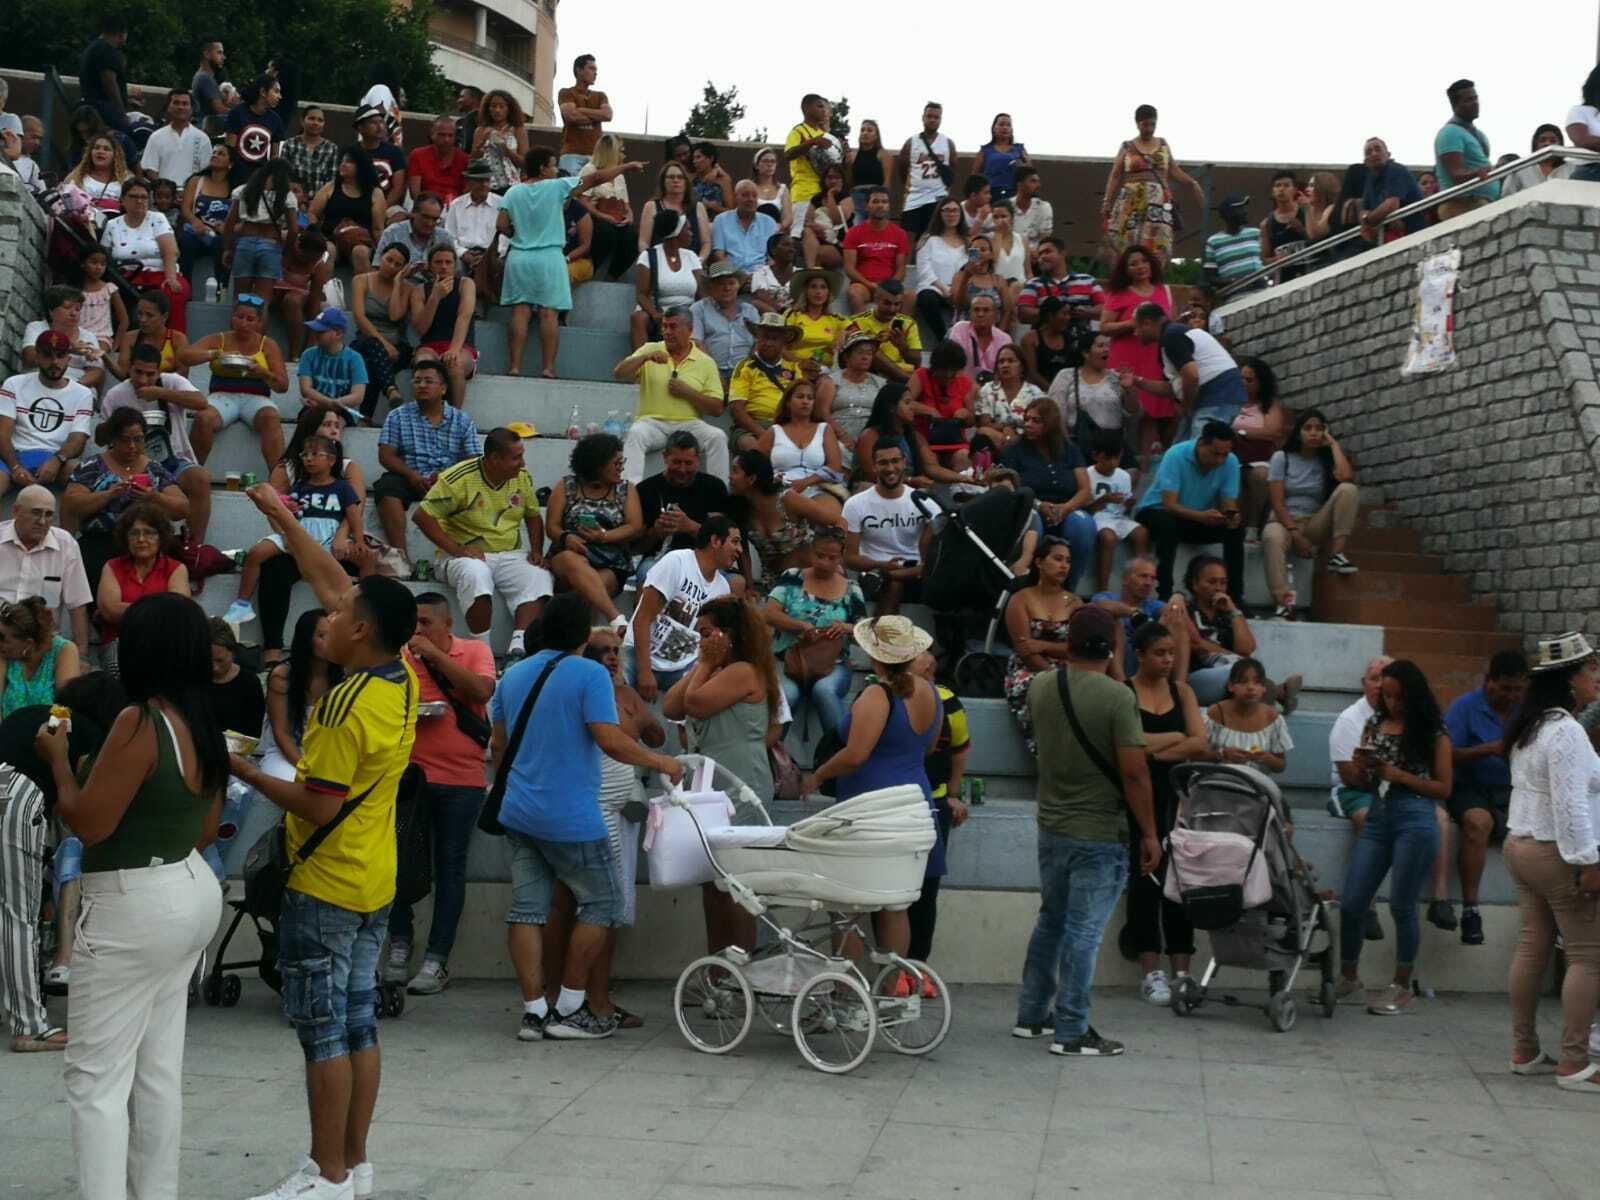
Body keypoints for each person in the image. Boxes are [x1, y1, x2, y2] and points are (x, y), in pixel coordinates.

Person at [226, 485, 419, 1200]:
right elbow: (335, 581)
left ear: (361, 633)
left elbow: (315, 799)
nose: (328, 618)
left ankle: (325, 1173)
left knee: (323, 1034)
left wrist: (242, 768)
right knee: (360, 1023)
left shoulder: (341, 704)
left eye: (339, 618)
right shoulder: (400, 677)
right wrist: (282, 518)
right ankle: (355, 1165)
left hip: (325, 884)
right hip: (374, 880)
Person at [40, 593, 222, 1198]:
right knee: (156, 1071)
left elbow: (88, 824)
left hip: (132, 903)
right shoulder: (202, 719)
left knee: (95, 1079)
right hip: (188, 888)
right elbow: (203, 829)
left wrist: (61, 761)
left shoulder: (139, 720)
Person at [495, 591, 681, 1043]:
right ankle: (572, 1007)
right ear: (582, 634)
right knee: (605, 904)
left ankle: (534, 1011)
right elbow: (610, 741)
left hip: (518, 811)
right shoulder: (589, 674)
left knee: (527, 911)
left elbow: (498, 746)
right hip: (571, 814)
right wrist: (663, 763)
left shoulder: (513, 675)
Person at [1013, 605, 1157, 1054]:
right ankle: (1072, 1030)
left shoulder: (1039, 685)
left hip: (1052, 823)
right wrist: (1150, 832)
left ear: (1068, 641)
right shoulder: (1118, 697)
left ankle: (1032, 1014)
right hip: (1099, 829)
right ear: (1113, 647)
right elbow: (1134, 774)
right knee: (1084, 932)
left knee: (1051, 921)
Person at [536, 626, 661, 1028]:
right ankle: (566, 997)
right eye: (601, 650)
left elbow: (656, 734)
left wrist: (636, 706)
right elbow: (610, 741)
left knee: (605, 908)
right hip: (583, 808)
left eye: (615, 650)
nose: (611, 656)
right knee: (578, 905)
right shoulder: (576, 689)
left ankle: (597, 997)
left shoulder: (624, 693)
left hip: (619, 812)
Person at [801, 616, 943, 965]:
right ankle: (892, 988)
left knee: (844, 903)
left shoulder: (877, 695)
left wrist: (817, 775)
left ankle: (847, 994)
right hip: (913, 799)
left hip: (871, 805)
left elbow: (855, 755)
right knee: (896, 905)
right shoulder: (930, 691)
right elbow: (929, 747)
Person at [383, 593, 497, 996]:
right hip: (410, 779)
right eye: (414, 623)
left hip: (462, 781)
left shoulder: (474, 651)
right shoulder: (399, 657)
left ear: (448, 624)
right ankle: (399, 944)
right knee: (396, 864)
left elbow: (480, 693)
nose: (418, 631)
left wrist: (432, 654)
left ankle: (437, 958)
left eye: (426, 623)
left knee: (451, 869)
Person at [1500, 633, 1600, 1089]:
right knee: (1588, 956)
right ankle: (1575, 1063)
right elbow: (1571, 805)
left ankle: (1524, 1050)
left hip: (1520, 847)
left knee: (1532, 947)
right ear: (1570, 679)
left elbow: (1588, 778)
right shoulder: (1567, 732)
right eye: (1590, 669)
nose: (1596, 677)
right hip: (1554, 852)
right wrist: (1589, 861)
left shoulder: (1532, 726)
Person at [0, 674, 119, 1054]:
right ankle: (30, 1025)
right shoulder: (88, 733)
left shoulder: (37, 713)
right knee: (19, 914)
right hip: (16, 794)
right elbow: (79, 804)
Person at [664, 596, 781, 954]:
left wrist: (704, 664)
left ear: (728, 634)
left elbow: (694, 703)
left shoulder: (744, 671)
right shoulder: (713, 670)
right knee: (711, 883)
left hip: (741, 782)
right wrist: (705, 663)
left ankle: (742, 967)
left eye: (706, 632)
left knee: (735, 882)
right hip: (711, 785)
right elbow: (671, 706)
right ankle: (718, 966)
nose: (700, 640)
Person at [1335, 660, 1452, 1016]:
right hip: (1380, 812)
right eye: (1386, 695)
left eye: (1397, 696)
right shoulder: (1374, 722)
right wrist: (1360, 766)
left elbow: (1443, 787)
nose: (1391, 703)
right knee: (1353, 900)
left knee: (1402, 904)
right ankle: (1349, 975)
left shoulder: (1434, 732)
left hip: (1415, 815)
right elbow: (1362, 779)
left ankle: (1402, 983)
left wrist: (1398, 775)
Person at [500, 147, 643, 380]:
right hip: (549, 257)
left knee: (520, 312)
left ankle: (515, 366)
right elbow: (596, 177)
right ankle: (548, 368)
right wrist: (626, 167)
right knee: (549, 314)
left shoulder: (513, 192)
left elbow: (501, 224)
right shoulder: (558, 187)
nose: (556, 169)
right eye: (553, 165)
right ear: (543, 168)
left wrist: (520, 234)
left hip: (520, 257)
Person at [1122, 620, 1207, 1003]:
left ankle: (1182, 971)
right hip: (1137, 796)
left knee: (1181, 883)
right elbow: (1126, 747)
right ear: (1139, 654)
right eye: (1160, 653)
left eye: (1172, 652)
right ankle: (1150, 969)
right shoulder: (1124, 693)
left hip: (1178, 796)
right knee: (1144, 882)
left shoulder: (1182, 691)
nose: (1168, 659)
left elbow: (1201, 745)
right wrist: (1176, 739)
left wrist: (1155, 748)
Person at [415, 427, 551, 659]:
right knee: (475, 573)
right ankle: (482, 652)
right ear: (495, 458)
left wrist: (537, 550)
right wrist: (457, 550)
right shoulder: (458, 478)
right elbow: (422, 515)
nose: (522, 463)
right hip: (462, 554)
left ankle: (517, 649)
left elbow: (532, 515)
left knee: (539, 576)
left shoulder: (522, 478)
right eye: (516, 457)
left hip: (510, 553)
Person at [226, 431, 360, 654]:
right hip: (296, 533)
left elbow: (353, 513)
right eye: (304, 454)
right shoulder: (298, 486)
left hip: (326, 539)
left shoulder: (343, 487)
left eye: (315, 454)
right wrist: (286, 527)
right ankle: (243, 606)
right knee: (259, 554)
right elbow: (281, 510)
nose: (308, 459)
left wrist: (356, 538)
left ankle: (346, 640)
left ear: (331, 460)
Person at [1443, 651, 1530, 947]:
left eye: (1517, 689)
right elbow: (1445, 755)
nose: (1511, 696)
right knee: (1477, 823)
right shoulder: (1464, 707)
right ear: (1488, 681)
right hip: (1470, 788)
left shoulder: (1525, 711)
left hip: (1511, 789)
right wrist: (1488, 749)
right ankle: (1471, 909)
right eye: (1505, 688)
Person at [62, 407, 188, 597]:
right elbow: (72, 504)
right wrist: (108, 495)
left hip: (146, 544)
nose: (132, 446)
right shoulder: (92, 466)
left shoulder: (154, 468)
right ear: (113, 439)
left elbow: (183, 508)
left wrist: (153, 497)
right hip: (101, 541)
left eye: (137, 439)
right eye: (125, 440)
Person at [625, 516, 742, 701]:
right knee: (614, 684)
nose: (740, 550)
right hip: (638, 654)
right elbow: (643, 618)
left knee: (707, 696)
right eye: (735, 542)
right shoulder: (677, 562)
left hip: (682, 667)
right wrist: (645, 672)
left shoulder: (723, 589)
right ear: (715, 541)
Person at [374, 360, 480, 564]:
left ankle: (463, 553)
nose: (421, 385)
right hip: (410, 477)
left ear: (443, 388)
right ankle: (399, 558)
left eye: (428, 381)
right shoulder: (398, 416)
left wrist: (446, 477)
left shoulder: (462, 420)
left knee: (475, 489)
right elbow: (386, 455)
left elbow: (473, 460)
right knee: (386, 488)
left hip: (449, 481)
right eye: (417, 381)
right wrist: (412, 476)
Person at [765, 528, 865, 735]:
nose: (824, 562)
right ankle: (772, 755)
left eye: (832, 557)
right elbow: (769, 614)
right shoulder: (792, 577)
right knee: (787, 696)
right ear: (811, 552)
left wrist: (845, 628)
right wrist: (799, 625)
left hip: (833, 664)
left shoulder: (852, 589)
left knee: (825, 691)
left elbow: (864, 632)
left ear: (841, 557)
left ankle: (840, 751)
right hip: (788, 661)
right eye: (820, 556)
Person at [1262, 407, 1360, 618]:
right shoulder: (1282, 457)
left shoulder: (1325, 460)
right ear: (1298, 432)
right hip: (1284, 521)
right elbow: (1277, 503)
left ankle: (1337, 555)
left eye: (1319, 429)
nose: (1313, 433)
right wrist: (1296, 535)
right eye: (1308, 428)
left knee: (1348, 490)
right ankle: (1283, 602)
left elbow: (1346, 477)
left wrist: (1333, 444)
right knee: (1271, 537)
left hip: (1314, 521)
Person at [1135, 421, 1244, 603]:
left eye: (1224, 455)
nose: (1219, 460)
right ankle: (1164, 594)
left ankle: (1234, 596)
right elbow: (1169, 504)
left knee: (1235, 530)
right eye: (1215, 453)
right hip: (1157, 511)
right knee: (1167, 523)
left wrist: (1231, 515)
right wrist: (1202, 517)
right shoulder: (1176, 454)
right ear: (1201, 444)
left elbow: (1227, 501)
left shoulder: (1231, 462)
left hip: (1195, 518)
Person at [616, 308, 730, 483]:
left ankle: (719, 496)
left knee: (717, 437)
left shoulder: (705, 362)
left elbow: (717, 408)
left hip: (689, 425)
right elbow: (618, 373)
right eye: (664, 327)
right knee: (636, 433)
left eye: (673, 327)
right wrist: (645, 358)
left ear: (690, 330)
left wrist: (688, 393)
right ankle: (628, 493)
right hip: (652, 423)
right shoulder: (650, 349)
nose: (667, 332)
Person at [180, 294, 287, 472]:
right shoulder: (219, 339)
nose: (243, 323)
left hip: (256, 397)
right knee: (203, 418)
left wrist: (264, 373)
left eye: (250, 319)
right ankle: (191, 474)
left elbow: (283, 386)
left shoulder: (267, 345)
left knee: (271, 418)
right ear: (232, 317)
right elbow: (185, 356)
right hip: (222, 396)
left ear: (259, 322)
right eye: (239, 317)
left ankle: (279, 479)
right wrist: (213, 354)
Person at [546, 433, 642, 627]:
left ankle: (581, 645)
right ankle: (616, 620)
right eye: (616, 463)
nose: (621, 468)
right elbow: (552, 526)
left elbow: (634, 526)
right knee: (573, 561)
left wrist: (604, 536)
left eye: (622, 462)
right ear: (599, 463)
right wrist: (567, 538)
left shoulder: (626, 489)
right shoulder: (566, 486)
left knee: (588, 589)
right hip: (570, 553)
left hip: (610, 562)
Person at [999, 399, 1096, 589]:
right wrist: (1039, 504)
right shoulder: (1014, 451)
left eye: (1036, 420)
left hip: (1065, 508)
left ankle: (1069, 588)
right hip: (1030, 507)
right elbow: (1010, 488)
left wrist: (1066, 508)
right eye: (1026, 419)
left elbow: (1085, 489)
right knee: (1033, 524)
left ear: (1050, 423)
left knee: (1083, 524)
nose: (1028, 424)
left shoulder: (1069, 449)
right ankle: (1029, 587)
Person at [1006, 537, 1085, 753]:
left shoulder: (1075, 603)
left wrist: (1041, 644)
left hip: (1069, 667)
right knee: (1040, 689)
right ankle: (1046, 756)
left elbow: (1078, 649)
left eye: (1068, 561)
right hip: (1030, 668)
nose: (1064, 566)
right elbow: (1025, 651)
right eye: (1057, 559)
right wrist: (1052, 674)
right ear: (1039, 562)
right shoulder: (1020, 600)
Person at [1100, 105, 1204, 265]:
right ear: (1137, 124)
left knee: (1158, 244)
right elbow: (1115, 175)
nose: (1149, 129)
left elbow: (1174, 170)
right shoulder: (1127, 146)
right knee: (1129, 244)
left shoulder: (1162, 144)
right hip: (1131, 202)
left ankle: (1155, 282)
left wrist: (1192, 183)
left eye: (1152, 125)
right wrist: (1106, 202)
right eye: (1145, 125)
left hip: (1158, 202)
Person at [0, 331, 95, 503]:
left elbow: (78, 439)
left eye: (60, 356)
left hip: (56, 458)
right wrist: (15, 467)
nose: (55, 362)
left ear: (68, 358)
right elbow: (3, 433)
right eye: (47, 355)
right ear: (36, 356)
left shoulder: (83, 394)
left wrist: (57, 460)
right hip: (15, 455)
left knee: (84, 475)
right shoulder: (14, 384)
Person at [96, 502, 190, 670]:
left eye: (149, 533)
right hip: (119, 642)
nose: (141, 539)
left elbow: (178, 613)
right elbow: (110, 611)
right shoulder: (112, 566)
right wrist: (159, 610)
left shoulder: (176, 569)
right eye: (134, 533)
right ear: (126, 538)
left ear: (161, 537)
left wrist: (130, 610)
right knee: (117, 672)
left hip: (163, 643)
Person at [1098, 247, 1173, 457]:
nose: (1140, 267)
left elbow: (1168, 323)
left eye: (1144, 261)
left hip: (1155, 357)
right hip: (1126, 357)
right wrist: (1133, 323)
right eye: (1133, 264)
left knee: (1151, 413)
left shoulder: (1163, 290)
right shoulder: (1119, 293)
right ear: (1125, 269)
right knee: (1124, 411)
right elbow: (1104, 326)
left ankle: (1144, 466)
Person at [0, 486, 92, 654]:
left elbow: (77, 604)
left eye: (48, 515)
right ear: (15, 511)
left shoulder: (66, 545)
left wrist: (82, 654)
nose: (42, 521)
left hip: (42, 644)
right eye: (36, 513)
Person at [843, 442, 933, 615]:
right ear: (874, 466)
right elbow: (849, 558)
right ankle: (885, 636)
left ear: (904, 462)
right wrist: (883, 565)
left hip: (916, 571)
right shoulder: (855, 504)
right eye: (883, 463)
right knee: (893, 584)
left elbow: (930, 557)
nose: (890, 468)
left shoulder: (923, 501)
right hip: (874, 573)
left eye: (895, 461)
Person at [101, 178, 191, 332]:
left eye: (143, 197)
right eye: (133, 196)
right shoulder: (112, 225)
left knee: (176, 291)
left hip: (160, 272)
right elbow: (103, 257)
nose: (139, 201)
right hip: (127, 276)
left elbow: (170, 251)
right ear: (122, 200)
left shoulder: (157, 218)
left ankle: (173, 341)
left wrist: (171, 277)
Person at [632, 431, 730, 572]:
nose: (682, 470)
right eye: (676, 462)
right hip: (659, 559)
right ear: (665, 457)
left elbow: (723, 540)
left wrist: (690, 527)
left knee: (736, 582)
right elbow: (635, 548)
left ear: (698, 460)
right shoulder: (645, 490)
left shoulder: (714, 487)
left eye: (688, 463)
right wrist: (656, 532)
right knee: (647, 573)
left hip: (704, 559)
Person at [728, 449, 813, 592]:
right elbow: (743, 552)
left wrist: (829, 559)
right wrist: (749, 587)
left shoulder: (786, 499)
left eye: (735, 471)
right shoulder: (740, 509)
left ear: (751, 479)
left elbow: (836, 521)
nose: (730, 477)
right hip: (775, 585)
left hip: (808, 578)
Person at [349, 244, 417, 417]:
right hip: (366, 341)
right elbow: (359, 317)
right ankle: (390, 389)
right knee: (372, 351)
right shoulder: (361, 280)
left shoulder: (407, 288)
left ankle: (366, 417)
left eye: (398, 264)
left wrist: (397, 283)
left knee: (373, 363)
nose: (391, 266)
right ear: (381, 258)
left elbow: (395, 316)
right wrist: (384, 345)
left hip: (398, 347)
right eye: (389, 260)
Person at [408, 244, 478, 407]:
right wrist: (434, 297)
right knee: (423, 364)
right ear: (430, 266)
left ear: (455, 265)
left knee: (454, 364)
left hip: (461, 346)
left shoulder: (465, 284)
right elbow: (420, 329)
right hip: (430, 346)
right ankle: (424, 414)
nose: (443, 267)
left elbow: (464, 317)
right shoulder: (419, 291)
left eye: (448, 262)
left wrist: (453, 349)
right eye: (438, 262)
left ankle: (455, 416)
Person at [1203, 658, 1293, 775]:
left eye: (1257, 682)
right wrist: (1222, 754)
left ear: (1263, 688)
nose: (1250, 687)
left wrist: (1265, 758)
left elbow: (1280, 766)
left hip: (1253, 786)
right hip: (1216, 783)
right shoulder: (1215, 713)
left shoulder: (1273, 717)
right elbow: (1196, 756)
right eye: (1243, 682)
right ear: (1231, 686)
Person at [631, 212, 704, 351]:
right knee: (638, 317)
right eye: (687, 229)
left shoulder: (692, 256)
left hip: (687, 311)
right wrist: (656, 315)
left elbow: (701, 293)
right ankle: (642, 366)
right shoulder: (649, 256)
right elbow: (641, 294)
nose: (691, 233)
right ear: (676, 233)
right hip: (658, 311)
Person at [1084, 432, 1147, 591]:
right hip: (1097, 517)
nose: (1112, 463)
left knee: (1141, 533)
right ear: (1096, 456)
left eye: (1116, 458)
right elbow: (1086, 508)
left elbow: (1123, 509)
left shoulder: (1123, 476)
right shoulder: (1087, 474)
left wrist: (1129, 504)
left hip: (1117, 517)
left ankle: (1140, 584)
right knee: (1109, 538)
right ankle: (1103, 588)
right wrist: (1103, 500)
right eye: (1108, 458)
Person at [1231, 357, 1286, 538]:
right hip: (1232, 457)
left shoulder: (1269, 406)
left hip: (1259, 458)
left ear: (1260, 383)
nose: (1243, 383)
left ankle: (1253, 527)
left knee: (1261, 475)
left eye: (1249, 380)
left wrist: (1241, 433)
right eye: (1241, 378)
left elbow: (1272, 432)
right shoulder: (1231, 403)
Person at [310, 146, 387, 274]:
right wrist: (314, 234)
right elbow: (312, 213)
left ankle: (364, 291)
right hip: (331, 238)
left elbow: (378, 228)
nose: (343, 164)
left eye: (349, 162)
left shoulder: (375, 193)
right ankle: (320, 290)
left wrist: (380, 256)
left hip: (360, 241)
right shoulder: (331, 187)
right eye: (342, 161)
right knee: (328, 251)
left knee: (360, 252)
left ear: (361, 166)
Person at [0, 597, 81, 719]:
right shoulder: (3, 653)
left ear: (28, 643)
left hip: (48, 734)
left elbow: (65, 706)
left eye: (2, 638)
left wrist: (50, 735)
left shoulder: (64, 651)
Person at [1434, 79, 1499, 219]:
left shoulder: (1478, 134)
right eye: (1468, 100)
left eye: (1476, 98)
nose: (1475, 103)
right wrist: (1479, 173)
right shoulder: (1449, 133)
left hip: (1481, 203)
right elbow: (1456, 174)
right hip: (1462, 205)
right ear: (1455, 105)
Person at [577, 133, 637, 281]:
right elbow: (582, 200)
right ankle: (591, 273)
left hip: (616, 217)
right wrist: (602, 215)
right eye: (621, 150)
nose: (623, 155)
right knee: (605, 233)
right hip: (594, 216)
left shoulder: (620, 175)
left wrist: (629, 216)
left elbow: (626, 204)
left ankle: (611, 277)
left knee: (631, 237)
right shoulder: (590, 169)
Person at [297, 308, 368, 425]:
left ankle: (335, 443)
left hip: (344, 408)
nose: (316, 334)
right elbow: (306, 389)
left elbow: (358, 395)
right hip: (316, 406)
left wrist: (334, 404)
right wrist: (328, 403)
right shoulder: (308, 355)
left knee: (334, 423)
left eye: (321, 331)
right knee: (308, 420)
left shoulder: (355, 358)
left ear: (338, 333)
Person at [912, 198, 969, 343]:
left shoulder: (968, 242)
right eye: (947, 210)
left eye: (955, 210)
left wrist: (957, 289)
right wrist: (944, 289)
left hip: (961, 290)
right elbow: (924, 269)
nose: (951, 214)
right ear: (939, 214)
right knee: (926, 298)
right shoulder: (928, 239)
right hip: (936, 288)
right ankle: (943, 340)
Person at [691, 261, 758, 381]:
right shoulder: (699, 309)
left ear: (738, 286)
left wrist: (747, 370)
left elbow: (758, 343)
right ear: (711, 287)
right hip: (709, 370)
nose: (727, 288)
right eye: (721, 284)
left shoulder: (750, 310)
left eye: (731, 283)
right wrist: (714, 373)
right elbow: (697, 343)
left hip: (746, 371)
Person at [897, 102, 956, 239]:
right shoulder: (911, 142)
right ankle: (908, 262)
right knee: (908, 237)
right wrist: (910, 186)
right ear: (923, 118)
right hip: (914, 197)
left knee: (934, 237)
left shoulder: (947, 143)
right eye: (929, 116)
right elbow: (902, 167)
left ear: (940, 120)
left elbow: (953, 168)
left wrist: (947, 189)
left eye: (936, 117)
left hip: (938, 197)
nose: (932, 119)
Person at [1355, 138, 1426, 244]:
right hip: (1393, 239)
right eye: (1368, 152)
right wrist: (1368, 218)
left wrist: (1368, 220)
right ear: (1366, 162)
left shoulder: (1396, 170)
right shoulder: (1370, 179)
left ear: (1388, 154)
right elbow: (1363, 212)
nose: (1374, 154)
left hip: (1415, 236)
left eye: (1378, 149)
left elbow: (1391, 205)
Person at [636, 161, 711, 259]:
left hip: (693, 263)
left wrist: (698, 261)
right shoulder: (651, 206)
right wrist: (652, 261)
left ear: (686, 181)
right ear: (663, 181)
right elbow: (643, 242)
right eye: (671, 177)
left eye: (680, 177)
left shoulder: (698, 207)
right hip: (660, 262)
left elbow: (706, 243)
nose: (676, 180)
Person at [974, 344, 1044, 448]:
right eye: (1001, 362)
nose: (1005, 365)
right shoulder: (987, 389)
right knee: (984, 432)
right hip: (997, 440)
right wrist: (1006, 430)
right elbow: (985, 423)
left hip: (1027, 439)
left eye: (1011, 361)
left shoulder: (1035, 392)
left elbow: (1039, 424)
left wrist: (1013, 433)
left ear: (1022, 367)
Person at [223, 78, 286, 189]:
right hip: (236, 174)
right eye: (276, 91)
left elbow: (274, 157)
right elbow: (229, 148)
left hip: (259, 177)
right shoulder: (238, 113)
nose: (279, 96)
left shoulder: (276, 120)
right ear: (263, 92)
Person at [141, 89, 209, 187]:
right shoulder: (156, 137)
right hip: (163, 196)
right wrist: (165, 188)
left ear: (191, 109)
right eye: (176, 103)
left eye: (185, 104)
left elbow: (206, 171)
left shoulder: (202, 138)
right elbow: (150, 169)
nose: (180, 107)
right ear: (168, 107)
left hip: (193, 194)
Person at [711, 180, 779, 276]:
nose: (750, 199)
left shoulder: (769, 222)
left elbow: (773, 258)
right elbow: (718, 255)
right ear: (735, 198)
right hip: (731, 276)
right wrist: (739, 276)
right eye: (745, 195)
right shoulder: (721, 220)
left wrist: (763, 276)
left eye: (754, 196)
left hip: (762, 275)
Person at [557, 54, 611, 175]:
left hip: (595, 155)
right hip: (571, 154)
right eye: (591, 68)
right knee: (570, 190)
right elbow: (571, 116)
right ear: (579, 70)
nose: (595, 73)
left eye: (596, 70)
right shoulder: (566, 92)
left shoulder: (600, 95)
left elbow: (607, 115)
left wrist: (581, 109)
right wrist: (597, 116)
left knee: (593, 192)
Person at [470, 90, 528, 195]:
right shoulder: (481, 130)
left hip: (511, 185)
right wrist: (483, 141)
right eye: (493, 106)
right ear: (488, 109)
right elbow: (473, 160)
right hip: (486, 185)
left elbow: (525, 162)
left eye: (502, 106)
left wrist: (505, 149)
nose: (497, 110)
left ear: (509, 109)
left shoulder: (518, 130)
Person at [350, 104, 407, 209]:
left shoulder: (395, 152)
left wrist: (381, 209)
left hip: (387, 206)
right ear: (360, 128)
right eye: (373, 123)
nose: (380, 126)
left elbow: (398, 188)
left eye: (381, 122)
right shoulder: (350, 152)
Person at [1202, 195, 1264, 290]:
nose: (1245, 212)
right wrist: (1235, 282)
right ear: (1228, 214)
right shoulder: (1213, 242)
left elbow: (1266, 260)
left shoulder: (1256, 233)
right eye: (1240, 209)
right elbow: (1210, 277)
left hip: (1262, 292)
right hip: (1235, 298)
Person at [948, 291, 1013, 380]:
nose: (980, 314)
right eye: (976, 310)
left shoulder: (1005, 339)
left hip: (993, 388)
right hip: (962, 387)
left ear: (995, 314)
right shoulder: (959, 329)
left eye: (986, 310)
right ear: (970, 313)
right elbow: (952, 365)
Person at [282, 106, 341, 199]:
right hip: (292, 201)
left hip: (320, 203)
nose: (315, 123)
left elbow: (331, 182)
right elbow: (284, 177)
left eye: (320, 120)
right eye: (311, 118)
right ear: (302, 121)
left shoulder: (332, 148)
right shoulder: (290, 144)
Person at [407, 116, 467, 207]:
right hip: (425, 208)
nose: (446, 139)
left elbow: (466, 194)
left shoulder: (464, 159)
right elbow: (415, 193)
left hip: (455, 208)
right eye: (441, 135)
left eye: (450, 135)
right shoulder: (418, 155)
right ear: (432, 135)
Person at [689, 142, 734, 221]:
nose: (694, 161)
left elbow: (731, 212)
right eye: (693, 158)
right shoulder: (693, 180)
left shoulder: (723, 180)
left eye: (698, 157)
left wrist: (714, 207)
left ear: (711, 158)